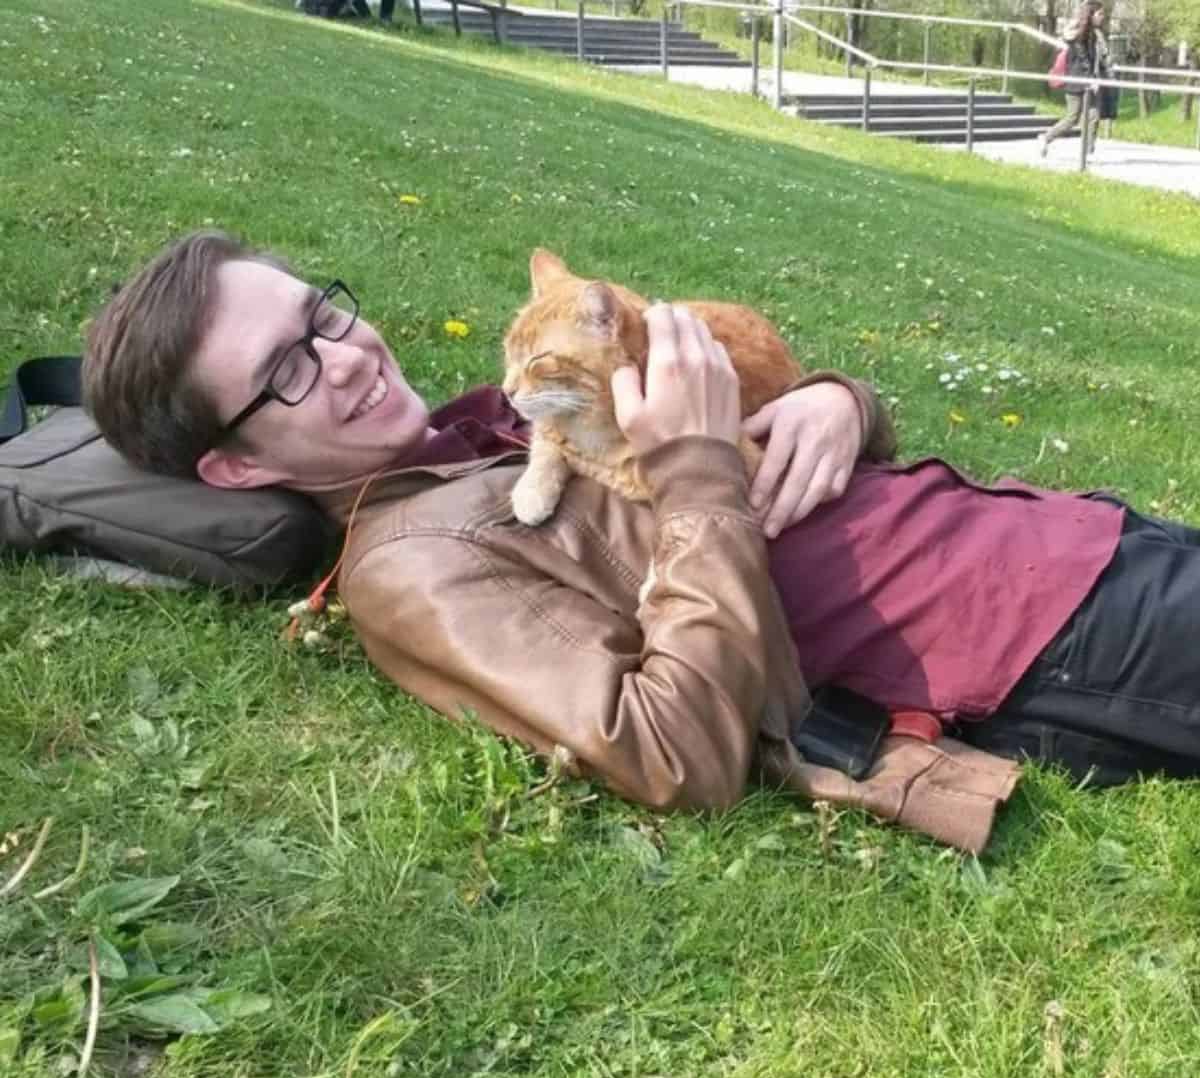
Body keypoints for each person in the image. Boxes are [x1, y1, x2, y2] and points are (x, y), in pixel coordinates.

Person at [81, 232, 1200, 854]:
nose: (347, 355)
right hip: (1030, 632)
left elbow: (754, 439)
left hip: (1050, 536)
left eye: (321, 316)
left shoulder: (480, 432)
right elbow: (672, 751)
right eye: (286, 372)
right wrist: (699, 463)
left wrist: (835, 401)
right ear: (239, 465)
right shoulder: (413, 562)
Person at [1039, 1, 1111, 158]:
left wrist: (1105, 70)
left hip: (1089, 82)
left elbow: (1097, 58)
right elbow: (1083, 60)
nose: (1103, 17)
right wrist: (1091, 80)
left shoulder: (1095, 34)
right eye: (1100, 14)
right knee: (1072, 118)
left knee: (1094, 115)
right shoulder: (1079, 34)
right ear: (1091, 15)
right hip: (1077, 81)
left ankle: (1086, 152)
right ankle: (1046, 137)